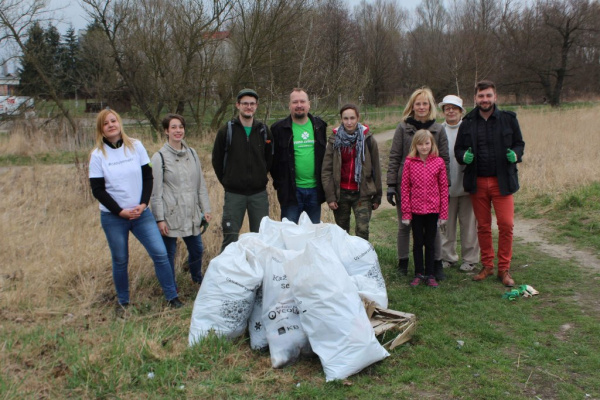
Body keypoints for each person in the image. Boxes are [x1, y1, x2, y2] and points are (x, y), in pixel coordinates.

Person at [89, 109, 182, 314]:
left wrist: (143, 203)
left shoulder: (136, 146)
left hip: (141, 214)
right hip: (114, 217)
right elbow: (98, 190)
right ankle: (123, 302)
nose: (111, 125)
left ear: (119, 122)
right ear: (101, 129)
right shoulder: (97, 155)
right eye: (106, 123)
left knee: (160, 253)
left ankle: (172, 297)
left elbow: (148, 177)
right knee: (121, 259)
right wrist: (120, 211)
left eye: (114, 120)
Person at [454, 80, 525, 287]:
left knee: (506, 224)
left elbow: (519, 143)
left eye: (488, 95)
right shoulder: (467, 122)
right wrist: (463, 156)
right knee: (483, 226)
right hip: (477, 182)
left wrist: (516, 154)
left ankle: (504, 269)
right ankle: (487, 266)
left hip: (502, 181)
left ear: (495, 97)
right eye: (481, 96)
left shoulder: (508, 119)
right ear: (475, 98)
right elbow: (458, 149)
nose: (485, 100)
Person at [386, 87, 450, 278]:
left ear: (430, 106)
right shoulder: (403, 128)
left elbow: (444, 159)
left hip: (432, 191)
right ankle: (403, 262)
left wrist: (445, 186)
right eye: (418, 104)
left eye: (425, 103)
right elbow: (394, 157)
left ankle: (436, 263)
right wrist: (391, 185)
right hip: (406, 187)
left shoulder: (438, 130)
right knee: (404, 226)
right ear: (412, 106)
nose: (421, 107)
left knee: (434, 229)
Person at [151, 114, 211, 286]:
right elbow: (156, 193)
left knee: (197, 249)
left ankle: (197, 280)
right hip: (171, 215)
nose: (178, 131)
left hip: (191, 213)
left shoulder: (192, 153)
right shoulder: (159, 157)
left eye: (181, 127)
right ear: (166, 131)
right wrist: (160, 219)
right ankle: (171, 286)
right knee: (169, 253)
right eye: (173, 127)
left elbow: (200, 184)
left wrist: (205, 209)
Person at [212, 88, 274, 252]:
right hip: (234, 195)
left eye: (252, 104)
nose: (248, 107)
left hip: (258, 195)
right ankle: (226, 275)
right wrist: (228, 181)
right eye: (245, 103)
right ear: (238, 105)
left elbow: (268, 160)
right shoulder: (227, 131)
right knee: (230, 237)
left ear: (256, 106)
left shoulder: (264, 131)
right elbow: (216, 160)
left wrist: (259, 177)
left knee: (260, 238)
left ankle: (259, 275)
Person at [321, 104, 382, 240]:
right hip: (341, 193)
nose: (349, 122)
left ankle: (362, 259)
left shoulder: (368, 140)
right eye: (346, 118)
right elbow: (326, 171)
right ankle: (344, 259)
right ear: (341, 119)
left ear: (358, 118)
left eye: (352, 118)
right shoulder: (334, 140)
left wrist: (377, 196)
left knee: (362, 230)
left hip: (362, 193)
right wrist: (330, 197)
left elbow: (376, 170)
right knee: (342, 232)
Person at [270, 88, 328, 223]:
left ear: (309, 104)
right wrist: (280, 184)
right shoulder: (278, 129)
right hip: (291, 193)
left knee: (312, 234)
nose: (299, 105)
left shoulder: (319, 126)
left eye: (302, 101)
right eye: (295, 102)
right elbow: (273, 162)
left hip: (314, 191)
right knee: (290, 234)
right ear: (289, 105)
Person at [437, 95, 480, 271]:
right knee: (446, 226)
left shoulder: (470, 129)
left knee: (469, 225)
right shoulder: (439, 130)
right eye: (447, 108)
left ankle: (470, 259)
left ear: (461, 111)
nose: (451, 111)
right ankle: (448, 257)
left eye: (454, 108)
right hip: (446, 187)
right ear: (443, 111)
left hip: (467, 185)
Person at [401, 130, 448, 288]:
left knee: (430, 242)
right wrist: (406, 213)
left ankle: (430, 273)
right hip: (416, 210)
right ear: (415, 145)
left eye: (427, 143)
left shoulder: (439, 162)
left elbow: (443, 188)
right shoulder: (409, 162)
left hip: (433, 210)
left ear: (431, 144)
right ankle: (418, 273)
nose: (424, 147)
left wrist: (443, 212)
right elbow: (405, 188)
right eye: (420, 144)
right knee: (418, 242)